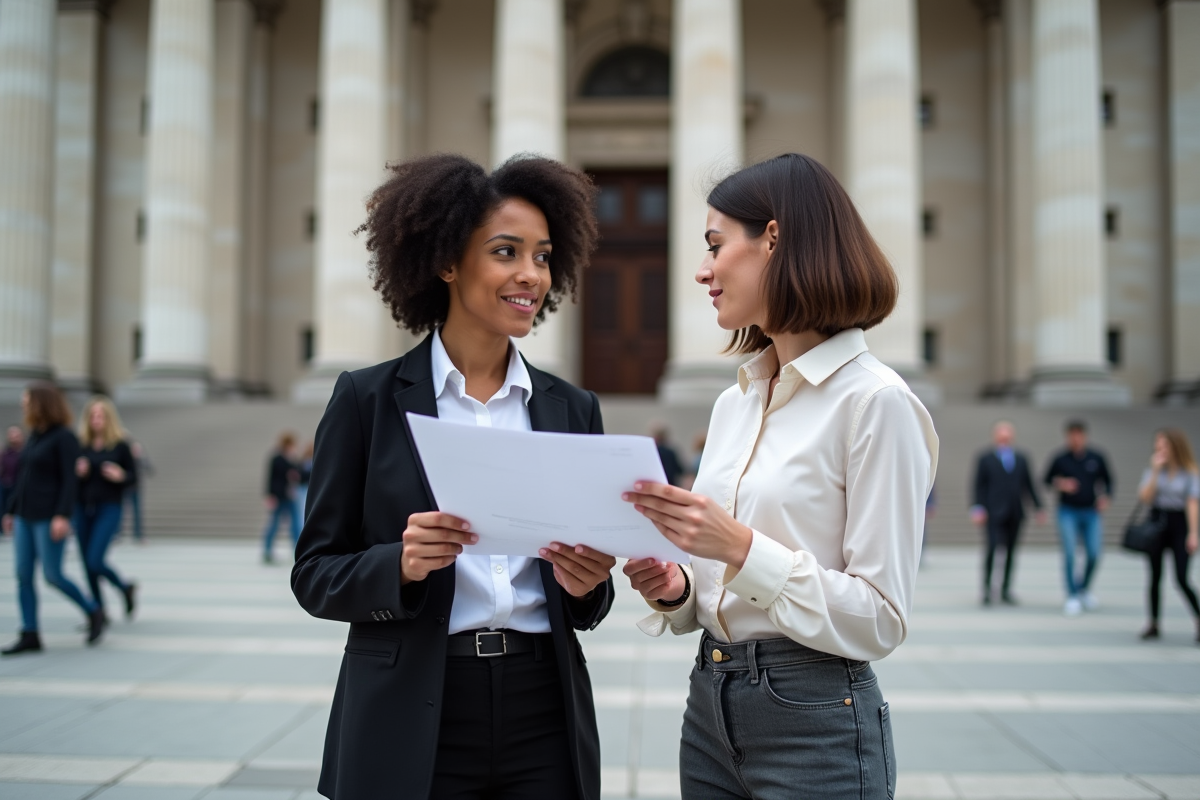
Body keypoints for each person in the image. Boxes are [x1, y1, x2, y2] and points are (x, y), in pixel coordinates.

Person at [291, 153, 616, 800]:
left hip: (542, 711)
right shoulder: (366, 400)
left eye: (544, 256)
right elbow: (315, 574)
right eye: (506, 252)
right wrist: (402, 564)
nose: (532, 275)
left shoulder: (571, 409)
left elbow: (589, 603)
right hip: (411, 706)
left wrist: (588, 585)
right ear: (446, 261)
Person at [621, 153, 938, 799]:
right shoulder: (733, 402)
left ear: (775, 238)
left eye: (715, 245)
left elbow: (879, 618)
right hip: (709, 702)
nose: (702, 271)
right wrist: (678, 587)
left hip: (816, 718)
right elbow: (727, 594)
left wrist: (736, 547)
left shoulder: (876, 402)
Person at [2, 383, 104, 655]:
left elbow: (70, 481)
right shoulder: (35, 435)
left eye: (27, 401)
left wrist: (63, 515)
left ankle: (93, 610)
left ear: (41, 403)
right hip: (25, 515)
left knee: (53, 575)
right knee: (23, 575)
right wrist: (11, 510)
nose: (23, 406)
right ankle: (30, 632)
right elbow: (23, 478)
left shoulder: (64, 438)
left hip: (49, 516)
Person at [74, 397, 138, 623]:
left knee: (95, 560)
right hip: (82, 508)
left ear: (109, 418)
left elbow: (134, 479)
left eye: (101, 415)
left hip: (109, 507)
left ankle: (124, 587)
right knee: (86, 563)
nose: (96, 420)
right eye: (92, 415)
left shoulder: (120, 444)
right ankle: (99, 612)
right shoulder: (80, 445)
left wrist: (121, 475)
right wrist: (78, 473)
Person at [1044, 419, 1114, 616]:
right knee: (1069, 553)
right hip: (1067, 511)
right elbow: (1047, 479)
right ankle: (1072, 595)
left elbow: (1108, 480)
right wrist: (1061, 483)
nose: (1075, 439)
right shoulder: (1061, 458)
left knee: (1094, 553)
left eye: (1078, 435)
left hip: (1091, 511)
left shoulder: (1096, 457)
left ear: (1084, 436)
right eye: (1071, 435)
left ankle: (1083, 588)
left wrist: (1106, 497)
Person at [1136, 429, 1199, 642]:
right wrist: (1154, 472)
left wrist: (1193, 533)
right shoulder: (1154, 471)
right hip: (1157, 523)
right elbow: (1145, 497)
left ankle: (1198, 620)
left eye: (1164, 446)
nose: (1159, 450)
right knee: (1154, 577)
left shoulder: (1189, 472)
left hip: (1180, 525)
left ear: (1175, 447)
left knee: (1182, 578)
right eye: (1158, 445)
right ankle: (1153, 623)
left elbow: (1192, 503)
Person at [971, 421, 1044, 605]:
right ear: (995, 436)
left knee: (1011, 551)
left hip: (1015, 511)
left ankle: (1005, 589)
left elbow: (1029, 484)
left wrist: (1038, 507)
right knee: (992, 549)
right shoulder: (985, 458)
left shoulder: (1021, 458)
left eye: (1007, 435)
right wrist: (978, 507)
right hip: (993, 512)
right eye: (1001, 435)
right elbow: (978, 485)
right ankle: (987, 589)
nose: (1004, 439)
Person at [261, 432, 299, 564]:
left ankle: (298, 551)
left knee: (295, 525)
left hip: (290, 496)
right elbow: (271, 478)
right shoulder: (277, 459)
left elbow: (297, 474)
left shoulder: (290, 458)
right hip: (279, 497)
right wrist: (270, 495)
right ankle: (267, 551)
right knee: (274, 524)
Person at [125, 439, 152, 542]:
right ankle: (116, 534)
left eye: (138, 449)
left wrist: (142, 459)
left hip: (136, 489)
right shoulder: (127, 459)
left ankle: (138, 534)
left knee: (137, 512)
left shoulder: (141, 460)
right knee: (121, 512)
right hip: (126, 488)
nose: (136, 451)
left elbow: (151, 470)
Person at [0, 426, 24, 535]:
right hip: (5, 484)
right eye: (11, 434)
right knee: (3, 507)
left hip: (18, 485)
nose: (14, 437)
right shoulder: (5, 452)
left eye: (16, 434)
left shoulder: (24, 452)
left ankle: (15, 527)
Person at [295, 440, 313, 525]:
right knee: (302, 510)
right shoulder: (302, 460)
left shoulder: (316, 459)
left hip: (310, 487)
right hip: (303, 487)